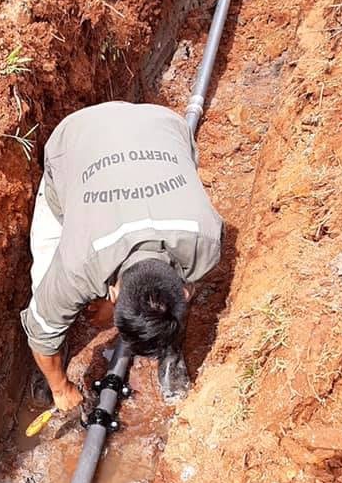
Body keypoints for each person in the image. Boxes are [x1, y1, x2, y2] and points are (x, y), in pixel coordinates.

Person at [20, 101, 223, 411]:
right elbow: (40, 328)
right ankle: (51, 369)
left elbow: (183, 292)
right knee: (44, 287)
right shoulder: (76, 266)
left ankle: (170, 354)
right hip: (76, 138)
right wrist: (60, 389)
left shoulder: (205, 242)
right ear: (112, 292)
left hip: (164, 127)